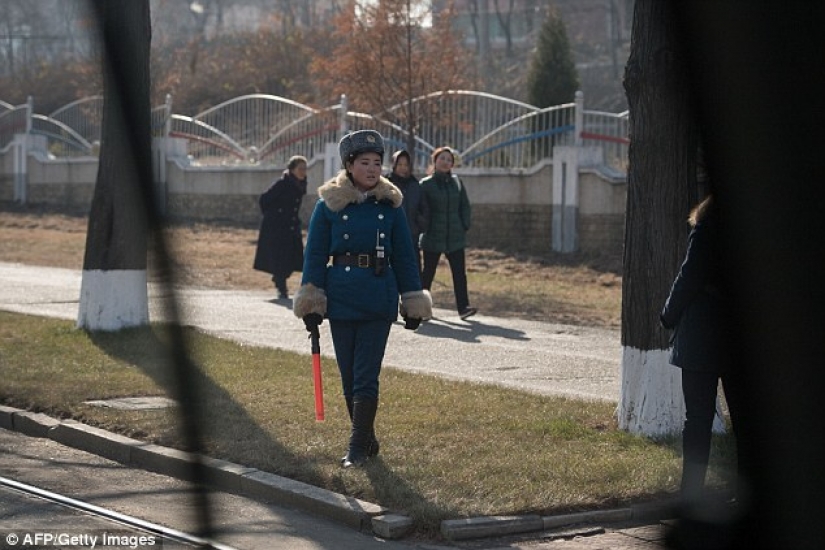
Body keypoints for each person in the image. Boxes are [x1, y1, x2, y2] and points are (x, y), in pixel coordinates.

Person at [293, 130, 432, 468]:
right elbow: (314, 255)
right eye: (365, 163)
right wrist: (312, 302)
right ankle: (367, 438)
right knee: (348, 375)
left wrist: (412, 300)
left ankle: (355, 447)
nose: (372, 169)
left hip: (377, 295)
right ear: (349, 165)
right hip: (341, 297)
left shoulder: (391, 204)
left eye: (377, 163)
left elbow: (405, 256)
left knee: (366, 373)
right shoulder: (329, 204)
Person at [660, 194, 743, 505]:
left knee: (697, 419)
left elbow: (689, 276)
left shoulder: (707, 224)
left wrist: (668, 313)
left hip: (702, 334)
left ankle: (691, 494)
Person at [419, 146, 476, 320]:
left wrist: (464, 224)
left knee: (459, 274)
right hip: (432, 235)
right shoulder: (425, 185)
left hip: (455, 236)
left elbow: (465, 205)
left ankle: (463, 308)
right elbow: (420, 209)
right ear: (434, 161)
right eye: (442, 158)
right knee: (427, 273)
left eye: (449, 160)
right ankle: (420, 308)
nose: (445, 162)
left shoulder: (457, 183)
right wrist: (423, 227)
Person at [253, 155, 308, 299]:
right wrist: (274, 217)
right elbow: (264, 200)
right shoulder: (283, 183)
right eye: (300, 168)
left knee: (293, 256)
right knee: (281, 257)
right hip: (277, 227)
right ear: (292, 169)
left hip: (291, 225)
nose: (303, 172)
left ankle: (279, 278)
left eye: (305, 169)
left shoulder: (300, 184)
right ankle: (281, 286)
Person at [387, 149, 427, 272]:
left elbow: (424, 208)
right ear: (394, 165)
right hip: (390, 236)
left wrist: (419, 224)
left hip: (411, 236)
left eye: (406, 165)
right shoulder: (386, 184)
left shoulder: (415, 185)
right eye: (400, 164)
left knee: (413, 271)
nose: (403, 168)